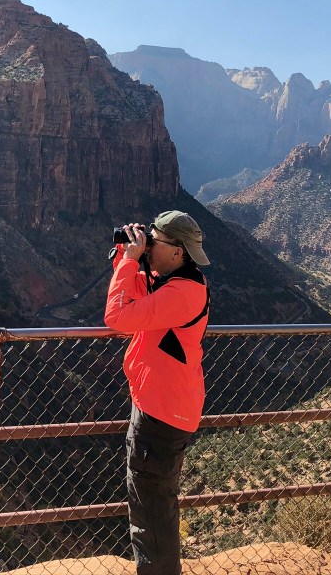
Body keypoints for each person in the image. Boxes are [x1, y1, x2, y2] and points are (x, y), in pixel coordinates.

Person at [104, 210, 211, 575]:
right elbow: (136, 292)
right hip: (159, 405)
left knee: (151, 508)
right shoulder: (175, 282)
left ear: (178, 251)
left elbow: (118, 318)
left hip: (162, 414)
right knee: (152, 501)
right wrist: (127, 258)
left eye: (155, 242)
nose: (148, 246)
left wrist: (131, 260)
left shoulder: (183, 293)